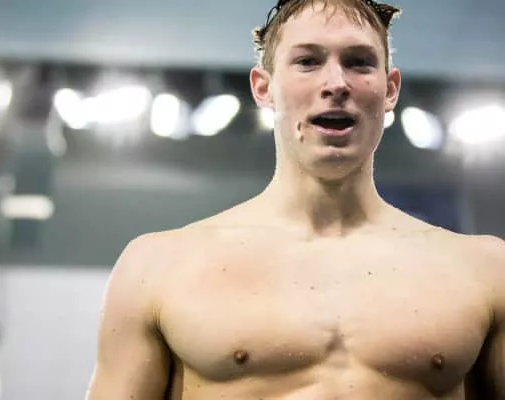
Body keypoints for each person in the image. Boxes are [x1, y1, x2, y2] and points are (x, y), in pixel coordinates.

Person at [85, 0, 505, 398]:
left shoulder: (484, 271)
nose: (336, 84)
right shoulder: (157, 267)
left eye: (359, 62)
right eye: (308, 61)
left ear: (390, 89)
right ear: (263, 87)